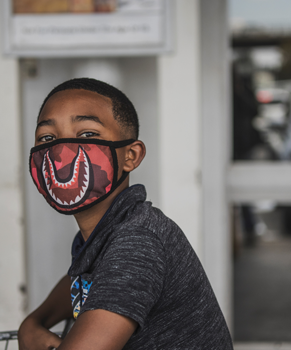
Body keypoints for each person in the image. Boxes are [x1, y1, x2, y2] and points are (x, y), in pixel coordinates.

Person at [18, 78, 233, 350]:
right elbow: (90, 278)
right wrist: (33, 323)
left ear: (131, 155)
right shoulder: (107, 234)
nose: (60, 151)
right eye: (47, 138)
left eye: (87, 135)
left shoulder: (139, 240)